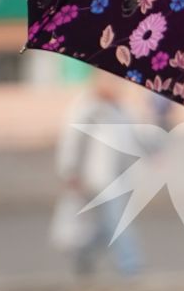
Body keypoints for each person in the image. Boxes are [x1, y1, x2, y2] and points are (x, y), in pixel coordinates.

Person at [51, 75, 156, 278]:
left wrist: (153, 150)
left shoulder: (121, 110)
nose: (117, 87)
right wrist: (70, 171)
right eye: (111, 83)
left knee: (105, 226)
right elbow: (73, 141)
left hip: (119, 177)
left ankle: (83, 252)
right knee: (118, 221)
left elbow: (137, 136)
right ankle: (130, 265)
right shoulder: (87, 109)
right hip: (95, 178)